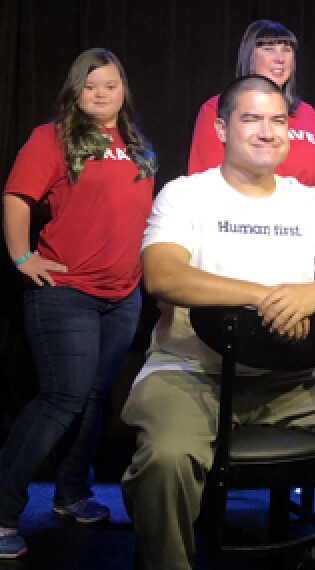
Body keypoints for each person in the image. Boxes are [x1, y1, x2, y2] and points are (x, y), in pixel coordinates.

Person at [120, 75, 315, 570]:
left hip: (291, 378)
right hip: (191, 373)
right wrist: (265, 296)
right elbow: (162, 276)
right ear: (222, 129)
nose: (268, 131)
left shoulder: (309, 203)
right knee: (165, 459)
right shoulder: (185, 195)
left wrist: (312, 293)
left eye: (278, 120)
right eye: (252, 118)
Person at [0, 48, 156, 559]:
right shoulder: (52, 138)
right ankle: (2, 513)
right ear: (76, 90)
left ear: (123, 89)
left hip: (122, 296)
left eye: (112, 84)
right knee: (62, 398)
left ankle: (72, 494)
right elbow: (17, 195)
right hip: (66, 293)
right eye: (92, 85)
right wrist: (23, 255)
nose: (103, 93)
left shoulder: (134, 144)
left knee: (91, 399)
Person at [188, 19, 315, 200]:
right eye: (269, 48)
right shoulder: (216, 109)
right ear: (250, 56)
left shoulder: (308, 114)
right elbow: (206, 185)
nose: (280, 58)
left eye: (286, 49)